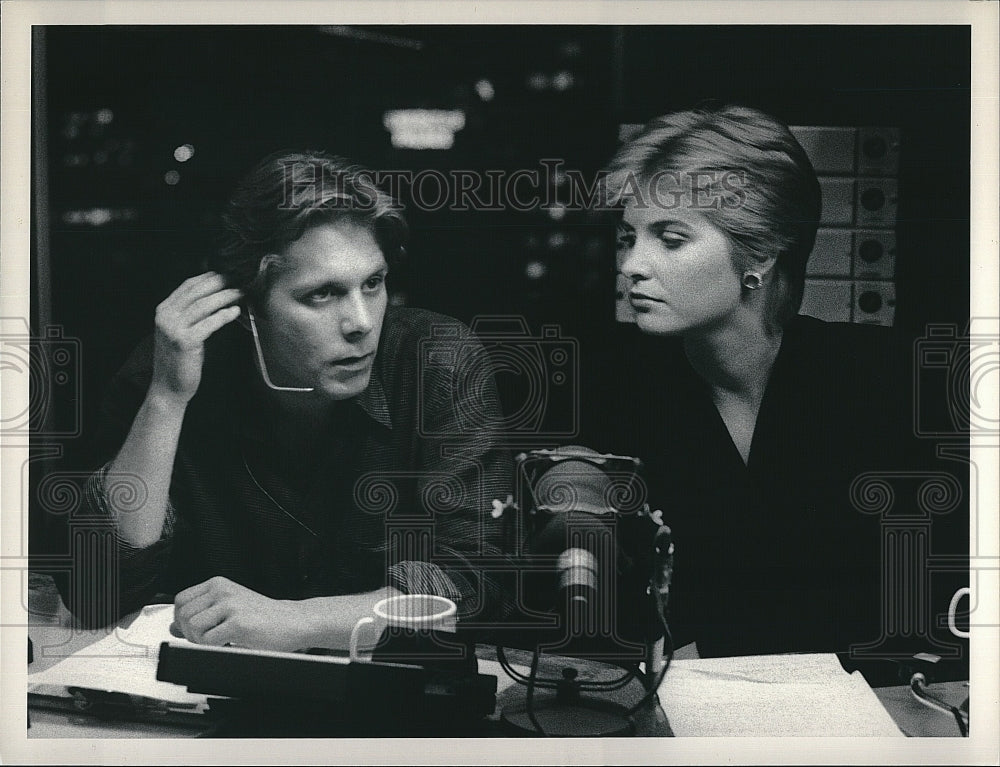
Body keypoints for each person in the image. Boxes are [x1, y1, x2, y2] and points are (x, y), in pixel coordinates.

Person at [75, 150, 514, 652]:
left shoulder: (436, 361)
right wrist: (166, 400)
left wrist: (293, 623)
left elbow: (477, 583)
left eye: (373, 284)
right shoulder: (176, 367)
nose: (362, 323)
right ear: (247, 308)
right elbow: (95, 592)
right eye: (322, 295)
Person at [588, 105, 967, 658]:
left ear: (761, 252)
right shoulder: (620, 401)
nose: (632, 266)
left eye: (669, 240)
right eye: (627, 238)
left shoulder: (892, 383)